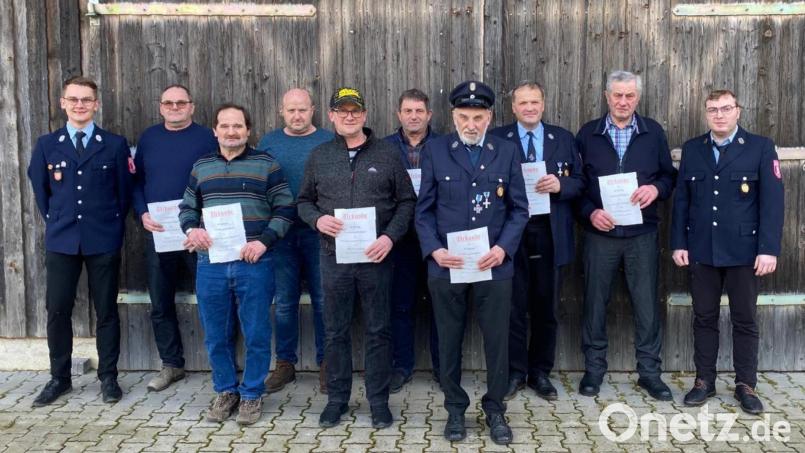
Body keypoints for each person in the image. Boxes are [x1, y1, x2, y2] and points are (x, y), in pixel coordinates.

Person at [415, 80, 529, 445]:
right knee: (448, 338)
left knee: (497, 340)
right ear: (453, 116)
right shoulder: (435, 151)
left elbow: (519, 209)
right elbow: (423, 211)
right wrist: (434, 250)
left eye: (478, 117)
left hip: (492, 264)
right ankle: (454, 408)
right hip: (447, 265)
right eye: (464, 117)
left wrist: (504, 249)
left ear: (489, 117)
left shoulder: (506, 151)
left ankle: (495, 408)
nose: (471, 124)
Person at [297, 87, 416, 429]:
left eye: (355, 111)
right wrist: (317, 220)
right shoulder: (319, 156)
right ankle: (337, 400)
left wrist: (389, 237)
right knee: (335, 331)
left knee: (379, 331)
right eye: (342, 111)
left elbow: (407, 202)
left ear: (364, 115)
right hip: (334, 259)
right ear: (331, 116)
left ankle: (378, 401)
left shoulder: (387, 154)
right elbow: (303, 201)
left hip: (376, 259)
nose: (349, 116)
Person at [179, 104, 294, 425]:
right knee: (216, 334)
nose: (232, 132)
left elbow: (286, 208)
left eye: (238, 126)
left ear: (248, 130)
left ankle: (252, 393)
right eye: (225, 126)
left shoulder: (267, 164)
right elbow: (187, 208)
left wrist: (264, 241)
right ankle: (226, 390)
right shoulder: (202, 166)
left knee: (256, 332)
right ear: (215, 131)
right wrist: (192, 230)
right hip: (211, 262)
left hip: (254, 261)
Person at [671, 89, 784, 415]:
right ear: (706, 113)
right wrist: (679, 242)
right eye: (713, 109)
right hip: (702, 249)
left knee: (744, 319)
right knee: (703, 317)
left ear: (738, 111)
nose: (719, 115)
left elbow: (772, 203)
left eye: (725, 108)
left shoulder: (760, 147)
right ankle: (704, 381)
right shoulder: (693, 149)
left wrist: (768, 249)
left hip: (744, 252)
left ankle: (745, 384)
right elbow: (682, 201)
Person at [28, 76, 132, 407]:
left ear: (96, 104)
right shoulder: (47, 144)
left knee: (106, 310)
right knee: (57, 309)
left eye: (86, 99)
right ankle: (59, 378)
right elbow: (41, 190)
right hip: (62, 239)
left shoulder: (114, 144)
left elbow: (124, 193)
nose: (79, 105)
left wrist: (109, 224)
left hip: (103, 237)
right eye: (73, 99)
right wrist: (59, 219)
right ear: (63, 103)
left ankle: (109, 377)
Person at [575, 70, 677, 401]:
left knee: (646, 305)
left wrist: (655, 189)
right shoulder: (588, 134)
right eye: (617, 95)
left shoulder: (653, 132)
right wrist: (590, 212)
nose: (623, 101)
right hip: (599, 234)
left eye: (629, 95)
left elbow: (669, 177)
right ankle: (594, 370)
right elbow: (576, 186)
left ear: (637, 98)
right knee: (594, 303)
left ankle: (649, 373)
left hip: (641, 234)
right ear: (607, 97)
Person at [489, 81, 584, 401]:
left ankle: (540, 372)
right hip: (510, 234)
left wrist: (561, 185)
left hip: (550, 232)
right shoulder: (497, 139)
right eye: (523, 103)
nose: (529, 108)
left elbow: (581, 182)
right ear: (513, 108)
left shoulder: (563, 138)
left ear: (543, 105)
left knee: (546, 307)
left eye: (535, 102)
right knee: (512, 306)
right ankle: (515, 372)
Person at [133, 84, 218, 392]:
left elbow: (220, 179)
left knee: (214, 298)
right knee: (160, 302)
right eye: (168, 103)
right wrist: (142, 213)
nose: (175, 107)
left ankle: (221, 364)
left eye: (181, 103)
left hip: (200, 233)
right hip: (160, 233)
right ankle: (172, 364)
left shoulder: (208, 138)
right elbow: (136, 182)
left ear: (191, 107)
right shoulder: (149, 138)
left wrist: (206, 221)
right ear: (160, 107)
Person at [257, 88, 334, 395]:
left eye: (302, 109)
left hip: (320, 232)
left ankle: (327, 362)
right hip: (281, 233)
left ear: (313, 110)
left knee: (323, 300)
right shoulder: (269, 143)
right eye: (291, 110)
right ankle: (285, 364)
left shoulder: (329, 140)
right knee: (285, 302)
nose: (297, 115)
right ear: (282, 112)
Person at [383, 88, 441, 392]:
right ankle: (401, 366)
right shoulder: (384, 148)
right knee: (400, 305)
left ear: (429, 115)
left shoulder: (445, 146)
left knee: (441, 305)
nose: (414, 116)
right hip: (399, 239)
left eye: (419, 111)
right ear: (399, 114)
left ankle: (444, 368)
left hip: (438, 239)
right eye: (408, 111)